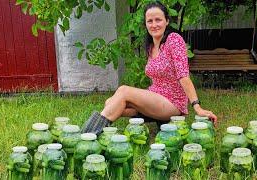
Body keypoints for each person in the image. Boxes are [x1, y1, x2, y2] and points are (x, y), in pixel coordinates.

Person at [81, 1, 217, 135]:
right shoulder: (151, 46)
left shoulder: (174, 40)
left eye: (158, 20)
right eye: (150, 21)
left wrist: (197, 105)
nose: (154, 25)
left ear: (167, 21)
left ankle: (87, 135)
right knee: (110, 102)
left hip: (172, 102)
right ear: (145, 24)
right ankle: (100, 130)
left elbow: (183, 75)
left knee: (123, 91)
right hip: (155, 98)